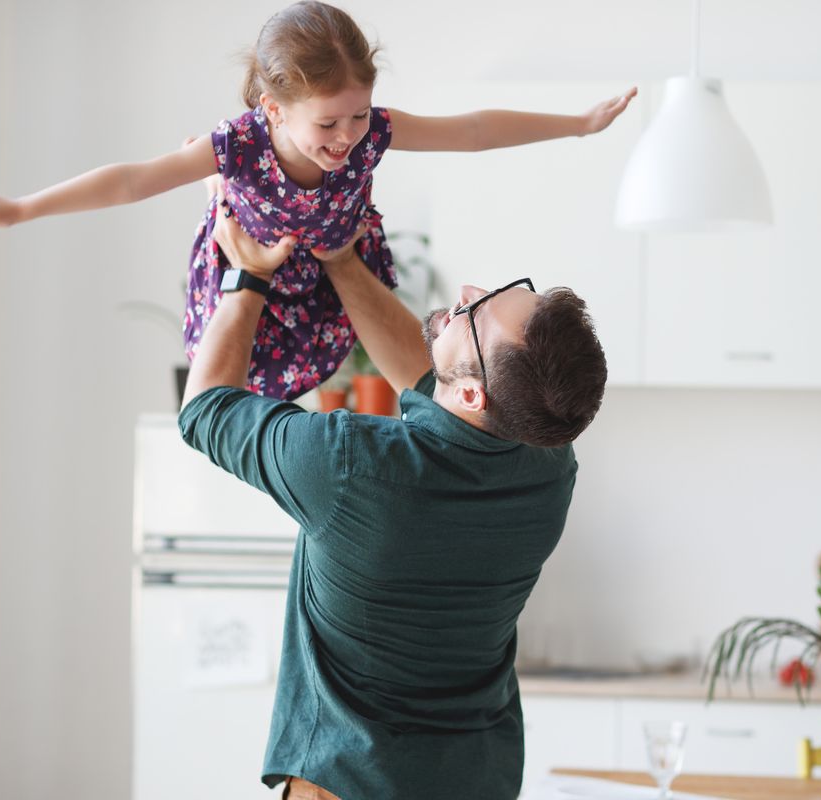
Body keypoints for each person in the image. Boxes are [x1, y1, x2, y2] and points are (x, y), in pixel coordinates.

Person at [0, 0, 634, 400]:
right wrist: (19, 208)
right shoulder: (239, 142)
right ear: (271, 108)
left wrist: (576, 126)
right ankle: (223, 199)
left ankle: (230, 204)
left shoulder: (374, 131)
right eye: (326, 123)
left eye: (357, 115)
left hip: (332, 276)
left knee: (408, 378)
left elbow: (474, 131)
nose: (347, 137)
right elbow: (131, 179)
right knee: (230, 395)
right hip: (261, 281)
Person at [177, 183, 607, 798]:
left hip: (348, 782)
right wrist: (341, 260)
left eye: (478, 315)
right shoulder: (546, 466)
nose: (467, 294)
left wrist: (247, 276)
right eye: (507, 292)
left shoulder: (349, 466)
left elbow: (205, 410)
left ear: (473, 396)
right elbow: (440, 383)